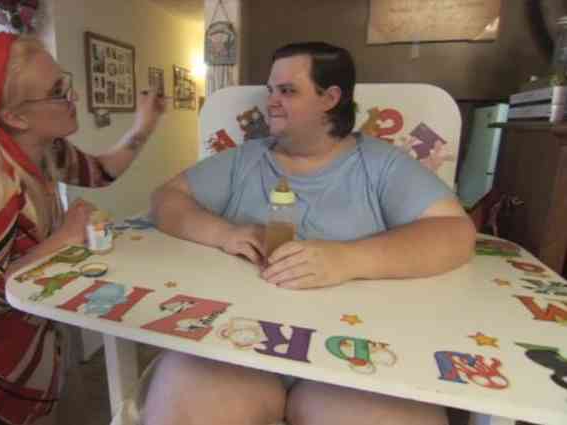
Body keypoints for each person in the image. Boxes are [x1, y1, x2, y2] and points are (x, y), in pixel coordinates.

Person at [146, 42, 475, 425]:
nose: (271, 101)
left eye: (287, 91)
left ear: (330, 98)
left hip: (354, 356)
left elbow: (455, 232)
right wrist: (223, 232)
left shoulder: (382, 165)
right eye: (271, 90)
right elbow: (166, 199)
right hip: (235, 347)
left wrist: (347, 259)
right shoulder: (243, 160)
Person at [0, 32, 164, 425]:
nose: (71, 98)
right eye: (58, 91)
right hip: (1, 358)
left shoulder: (45, 149)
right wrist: (64, 237)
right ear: (16, 116)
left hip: (39, 334)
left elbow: (102, 171)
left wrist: (145, 123)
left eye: (65, 82)